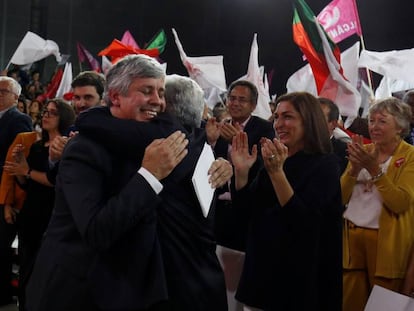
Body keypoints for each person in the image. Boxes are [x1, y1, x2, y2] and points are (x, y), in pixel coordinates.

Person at [26, 55, 230, 311]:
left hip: (125, 290)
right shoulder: (83, 148)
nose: (157, 100)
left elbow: (188, 135)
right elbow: (96, 231)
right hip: (77, 291)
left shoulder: (149, 136)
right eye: (146, 91)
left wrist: (222, 164)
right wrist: (149, 176)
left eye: (160, 91)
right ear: (115, 96)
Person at [230, 92, 342, 310]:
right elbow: (245, 213)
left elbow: (303, 223)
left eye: (288, 117)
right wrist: (241, 172)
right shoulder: (276, 160)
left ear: (309, 121)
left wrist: (277, 173)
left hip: (297, 285)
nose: (278, 124)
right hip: (261, 278)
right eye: (277, 116)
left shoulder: (325, 165)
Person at [342, 97, 414, 311]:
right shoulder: (362, 150)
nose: (374, 126)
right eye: (371, 121)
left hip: (386, 242)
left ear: (400, 126)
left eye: (382, 121)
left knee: (382, 305)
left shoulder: (410, 156)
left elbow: (399, 202)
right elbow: (339, 198)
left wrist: (374, 170)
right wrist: (354, 170)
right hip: (352, 236)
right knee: (349, 303)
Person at [4, 98, 76, 311]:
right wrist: (20, 169)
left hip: (51, 214)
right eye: (45, 111)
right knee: (26, 268)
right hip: (31, 213)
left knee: (42, 272)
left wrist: (26, 171)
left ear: (63, 117)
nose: (45, 115)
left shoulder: (65, 147)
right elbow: (27, 185)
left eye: (52, 112)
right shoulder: (36, 146)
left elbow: (54, 181)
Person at [211, 80, 275, 310]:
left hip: (246, 209)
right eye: (232, 98)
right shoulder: (220, 125)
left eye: (242, 99)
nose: (235, 103)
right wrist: (211, 141)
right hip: (219, 209)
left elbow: (264, 168)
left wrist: (237, 143)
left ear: (254, 104)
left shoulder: (264, 129)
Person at [0, 76, 33, 307]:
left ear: (16, 96)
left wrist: (9, 200)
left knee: (1, 247)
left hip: (5, 195)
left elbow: (16, 163)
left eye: (3, 91)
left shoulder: (19, 120)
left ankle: (2, 293)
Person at [319, 97, 349, 174]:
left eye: (317, 117)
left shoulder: (344, 152)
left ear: (333, 124)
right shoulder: (296, 146)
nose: (310, 121)